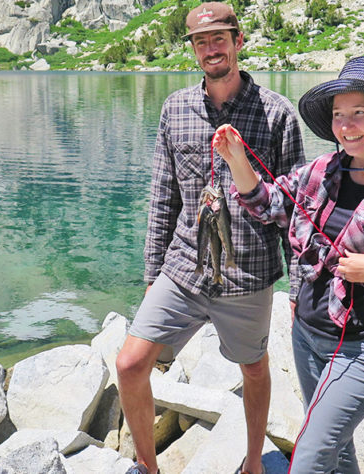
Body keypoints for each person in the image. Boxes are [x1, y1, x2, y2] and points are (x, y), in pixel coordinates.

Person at [212, 56, 364, 473]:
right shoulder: (322, 170)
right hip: (306, 338)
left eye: (359, 113)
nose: (345, 125)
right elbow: (267, 204)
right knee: (338, 455)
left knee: (309, 459)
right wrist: (236, 159)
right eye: (338, 114)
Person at [115, 3, 305, 474]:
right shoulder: (175, 108)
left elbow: (295, 211)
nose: (210, 48)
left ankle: (254, 465)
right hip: (183, 267)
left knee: (254, 368)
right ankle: (148, 467)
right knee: (130, 364)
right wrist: (151, 275)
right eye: (201, 41)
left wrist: (300, 287)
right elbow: (163, 197)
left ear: (238, 41)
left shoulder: (278, 114)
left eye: (219, 38)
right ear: (194, 50)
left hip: (250, 272)